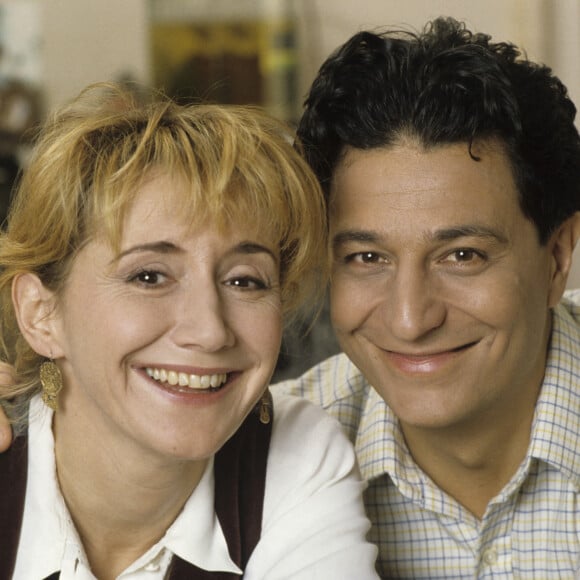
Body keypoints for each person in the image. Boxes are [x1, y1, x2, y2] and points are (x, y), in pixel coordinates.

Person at [0, 83, 378, 579]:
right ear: (40, 314)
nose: (209, 331)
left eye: (244, 280)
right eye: (149, 276)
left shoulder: (295, 457)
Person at [279, 16, 580, 578]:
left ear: (557, 258)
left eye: (462, 256)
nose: (410, 318)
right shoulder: (269, 463)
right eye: (367, 259)